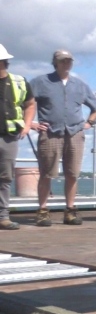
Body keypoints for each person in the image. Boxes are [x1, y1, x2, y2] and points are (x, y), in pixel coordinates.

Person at [30, 50, 96, 226]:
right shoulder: (40, 82)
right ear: (55, 62)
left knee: (72, 174)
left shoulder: (80, 85)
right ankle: (43, 211)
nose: (67, 63)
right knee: (47, 173)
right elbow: (26, 103)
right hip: (50, 133)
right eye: (63, 61)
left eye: (69, 61)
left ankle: (70, 210)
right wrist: (30, 123)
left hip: (75, 133)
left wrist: (89, 123)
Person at [0, 44, 36, 230]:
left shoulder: (19, 82)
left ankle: (2, 217)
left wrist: (28, 124)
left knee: (5, 178)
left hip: (8, 136)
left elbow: (30, 104)